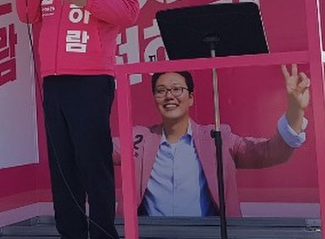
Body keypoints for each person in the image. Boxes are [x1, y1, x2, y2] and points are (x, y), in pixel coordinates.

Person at [16, 0, 139, 239]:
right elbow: (28, 15)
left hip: (91, 78)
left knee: (93, 162)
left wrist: (87, 1)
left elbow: (130, 11)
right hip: (53, 80)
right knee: (62, 166)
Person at [113, 66, 310, 217]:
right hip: (153, 238)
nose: (169, 96)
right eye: (161, 90)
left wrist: (295, 110)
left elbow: (270, 152)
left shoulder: (218, 138)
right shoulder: (138, 139)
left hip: (208, 238)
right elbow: (99, 149)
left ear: (191, 98)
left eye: (176, 89)